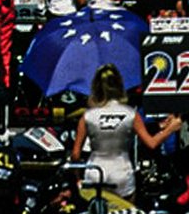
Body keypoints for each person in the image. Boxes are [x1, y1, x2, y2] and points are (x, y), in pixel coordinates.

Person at [71, 63, 181, 199]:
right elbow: (151, 143)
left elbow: (75, 154)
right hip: (121, 174)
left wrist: (77, 178)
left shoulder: (87, 116)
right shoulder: (130, 114)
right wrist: (170, 128)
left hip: (95, 173)